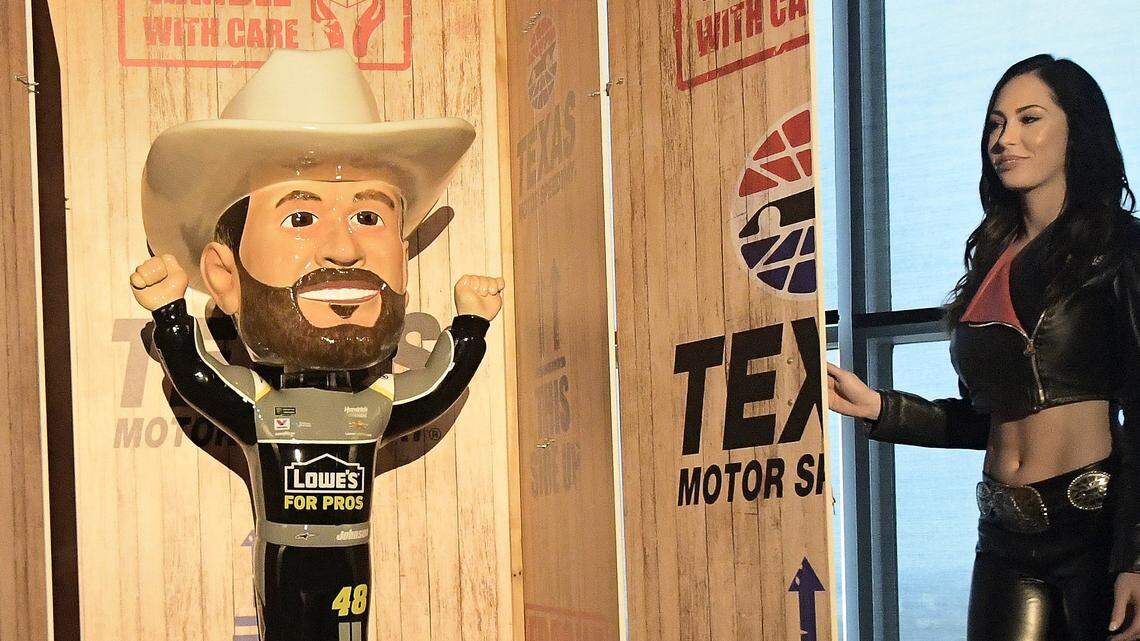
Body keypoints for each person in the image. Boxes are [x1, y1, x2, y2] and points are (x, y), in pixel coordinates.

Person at [128, 48, 505, 641]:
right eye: (301, 219)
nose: (346, 252)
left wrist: (471, 327)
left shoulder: (372, 410)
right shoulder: (260, 408)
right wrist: (171, 314)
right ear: (225, 276)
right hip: (286, 561)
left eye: (371, 219)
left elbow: (435, 386)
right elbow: (198, 376)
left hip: (352, 563)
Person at [828, 54, 1140, 640]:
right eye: (996, 124)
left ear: (1077, 128)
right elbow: (987, 421)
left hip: (1094, 533)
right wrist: (879, 408)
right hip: (1001, 536)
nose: (1006, 139)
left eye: (1029, 119)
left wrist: (1137, 558)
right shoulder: (990, 260)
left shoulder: (1120, 248)